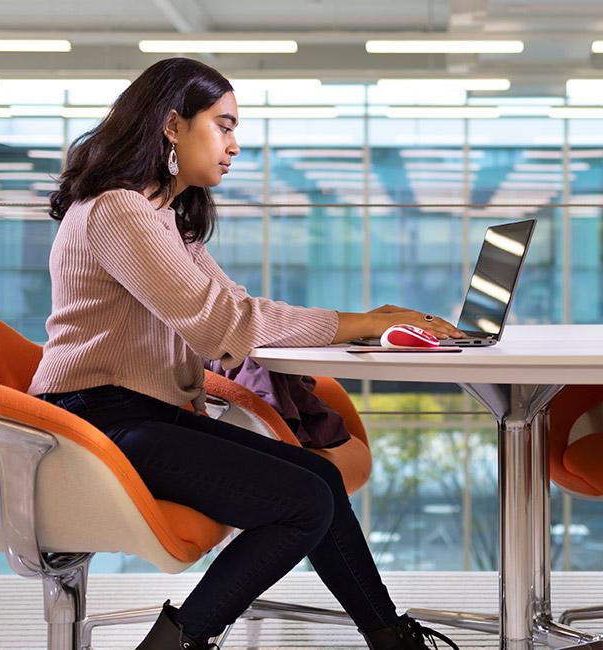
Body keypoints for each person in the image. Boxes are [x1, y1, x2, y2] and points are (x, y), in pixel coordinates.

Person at [28, 57, 463, 650]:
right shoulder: (119, 210)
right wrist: (362, 322)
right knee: (304, 503)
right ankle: (177, 641)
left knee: (319, 479)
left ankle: (390, 639)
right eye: (224, 125)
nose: (234, 146)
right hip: (95, 424)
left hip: (136, 415)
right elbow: (221, 325)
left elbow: (236, 307)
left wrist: (364, 325)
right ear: (172, 126)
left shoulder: (159, 215)